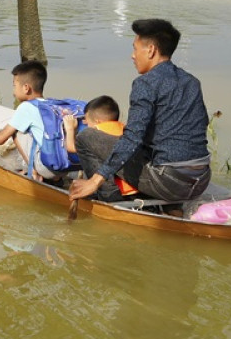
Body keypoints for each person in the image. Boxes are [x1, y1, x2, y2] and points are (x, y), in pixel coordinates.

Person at [68, 19, 211, 203]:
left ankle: (109, 197)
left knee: (86, 137)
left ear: (151, 50)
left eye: (135, 49)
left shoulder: (145, 83)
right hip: (201, 180)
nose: (133, 56)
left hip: (169, 183)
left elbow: (132, 138)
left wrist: (95, 180)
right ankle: (168, 206)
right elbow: (198, 125)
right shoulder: (191, 81)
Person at [0, 60, 60, 181]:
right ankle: (56, 179)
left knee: (15, 132)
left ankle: (35, 173)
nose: (13, 92)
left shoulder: (26, 107)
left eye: (14, 86)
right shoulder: (52, 105)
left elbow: (0, 139)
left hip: (46, 169)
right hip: (62, 167)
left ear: (26, 88)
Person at [62, 95, 138, 202]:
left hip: (117, 192)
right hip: (138, 188)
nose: (87, 125)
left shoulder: (97, 131)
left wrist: (70, 129)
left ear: (97, 121)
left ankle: (101, 194)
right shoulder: (125, 129)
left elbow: (71, 148)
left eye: (87, 122)